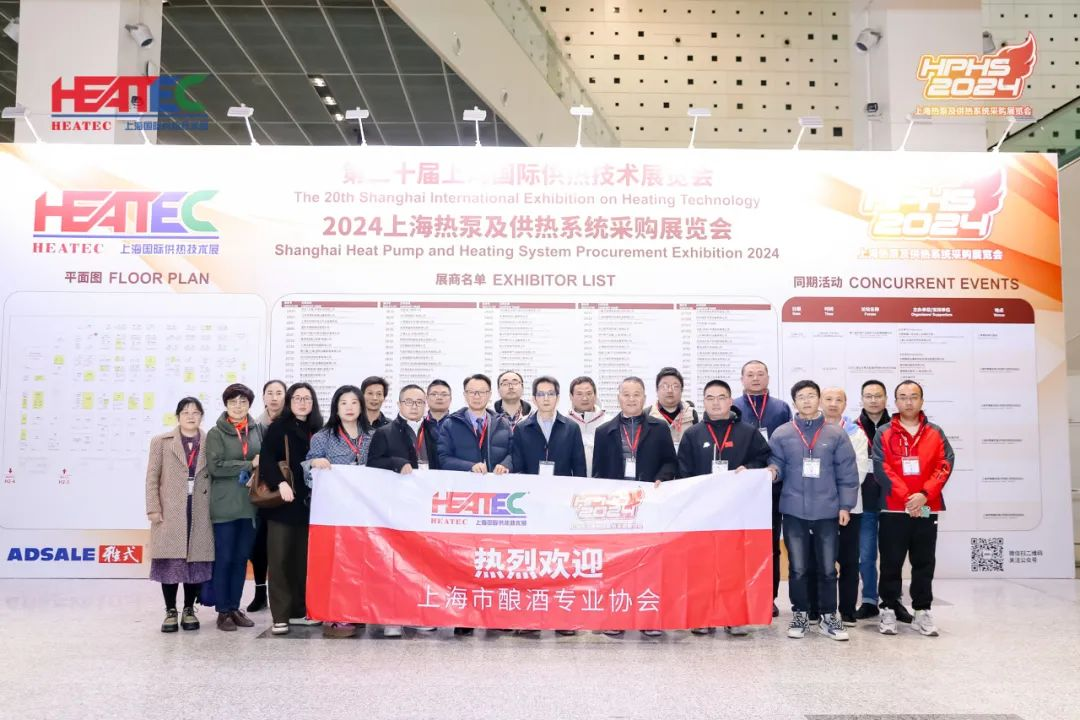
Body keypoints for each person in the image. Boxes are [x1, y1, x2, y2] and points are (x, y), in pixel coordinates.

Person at [677, 379, 772, 636]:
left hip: (736, 511)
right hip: (702, 513)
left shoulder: (748, 432)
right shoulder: (693, 434)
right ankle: (702, 617)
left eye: (721, 397)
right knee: (701, 565)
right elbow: (683, 471)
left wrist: (749, 469)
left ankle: (734, 616)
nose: (716, 403)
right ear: (704, 402)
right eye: (710, 398)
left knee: (733, 565)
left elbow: (763, 460)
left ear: (731, 401)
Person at [768, 380, 858, 642]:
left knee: (828, 568)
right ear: (794, 402)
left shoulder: (835, 434)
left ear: (818, 400)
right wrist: (773, 471)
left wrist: (845, 505)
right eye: (801, 397)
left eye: (811, 396)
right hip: (793, 511)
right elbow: (776, 462)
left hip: (827, 511)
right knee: (798, 568)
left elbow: (847, 472)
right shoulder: (782, 433)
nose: (806, 400)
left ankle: (829, 616)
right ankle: (801, 614)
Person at [592, 376, 677, 638]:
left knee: (649, 563)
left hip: (649, 505)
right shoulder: (603, 431)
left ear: (644, 398)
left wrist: (661, 478)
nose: (631, 399)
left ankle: (649, 617)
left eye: (636, 394)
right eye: (626, 394)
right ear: (618, 398)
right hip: (617, 509)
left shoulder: (659, 428)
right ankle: (615, 616)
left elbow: (670, 462)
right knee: (617, 564)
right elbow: (597, 472)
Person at [872, 380, 953, 638]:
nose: (908, 401)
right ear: (895, 402)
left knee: (924, 561)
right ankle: (887, 608)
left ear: (921, 400)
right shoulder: (884, 432)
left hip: (927, 508)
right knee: (891, 562)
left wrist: (924, 495)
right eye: (903, 397)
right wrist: (908, 498)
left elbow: (945, 464)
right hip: (894, 509)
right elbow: (882, 468)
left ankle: (922, 610)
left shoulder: (935, 432)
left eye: (913, 396)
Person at [437, 373, 514, 637]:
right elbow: (443, 458)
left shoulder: (502, 423)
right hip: (466, 504)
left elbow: (514, 452)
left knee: (495, 560)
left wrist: (506, 465)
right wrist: (469, 467)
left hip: (496, 505)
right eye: (472, 392)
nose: (477, 396)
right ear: (465, 395)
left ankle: (496, 615)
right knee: (467, 560)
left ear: (490, 395)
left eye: (482, 392)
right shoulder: (451, 423)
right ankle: (465, 616)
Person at [145, 397, 214, 633]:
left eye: (196, 412)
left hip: (200, 508)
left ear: (201, 416)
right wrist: (153, 508)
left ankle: (189, 609)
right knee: (170, 562)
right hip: (171, 509)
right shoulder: (161, 442)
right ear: (178, 417)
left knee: (194, 562)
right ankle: (170, 611)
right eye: (186, 412)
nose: (191, 416)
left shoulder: (210, 441)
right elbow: (152, 478)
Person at [258, 383, 322, 636]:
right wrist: (280, 483)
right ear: (289, 401)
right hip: (283, 505)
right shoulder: (279, 427)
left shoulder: (318, 430)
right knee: (280, 559)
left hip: (310, 507)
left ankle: (299, 610)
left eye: (307, 398)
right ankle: (281, 615)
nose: (302, 403)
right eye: (297, 398)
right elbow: (266, 460)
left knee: (302, 561)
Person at [307, 384, 369, 638]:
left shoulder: (372, 436)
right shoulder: (323, 436)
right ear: (336, 407)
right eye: (344, 403)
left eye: (354, 402)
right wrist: (314, 463)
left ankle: (356, 611)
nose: (349, 408)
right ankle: (333, 614)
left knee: (359, 563)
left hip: (364, 512)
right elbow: (307, 468)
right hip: (333, 512)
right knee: (335, 563)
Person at [732, 360, 792, 618]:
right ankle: (738, 594)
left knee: (770, 544)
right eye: (750, 374)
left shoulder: (781, 408)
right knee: (738, 545)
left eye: (760, 374)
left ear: (768, 377)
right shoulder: (732, 406)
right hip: (740, 486)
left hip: (772, 485)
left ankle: (768, 597)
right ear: (742, 379)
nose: (755, 378)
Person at [205, 383, 263, 632]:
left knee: (240, 559)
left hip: (250, 505)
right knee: (225, 558)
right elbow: (216, 467)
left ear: (249, 404)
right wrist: (249, 464)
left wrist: (259, 465)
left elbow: (265, 459)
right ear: (226, 405)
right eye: (233, 402)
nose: (238, 406)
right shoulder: (216, 433)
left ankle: (234, 607)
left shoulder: (257, 430)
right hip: (224, 506)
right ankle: (223, 611)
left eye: (243, 402)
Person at [821, 387, 870, 626]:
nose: (833, 403)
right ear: (820, 402)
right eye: (828, 399)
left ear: (845, 403)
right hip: (820, 507)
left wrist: (838, 494)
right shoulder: (812, 431)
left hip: (850, 507)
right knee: (821, 561)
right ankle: (819, 608)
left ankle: (848, 609)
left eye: (838, 400)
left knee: (850, 560)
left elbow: (858, 470)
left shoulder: (856, 433)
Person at [248, 379, 287, 613]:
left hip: (286, 489)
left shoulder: (292, 422)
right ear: (263, 397)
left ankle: (284, 594)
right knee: (258, 545)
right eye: (270, 393)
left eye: (279, 393)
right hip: (261, 492)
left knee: (283, 546)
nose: (274, 397)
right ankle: (260, 592)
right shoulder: (253, 426)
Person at [854, 379, 892, 621]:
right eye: (869, 396)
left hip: (893, 501)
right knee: (866, 555)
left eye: (878, 396)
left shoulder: (896, 426)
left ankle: (892, 601)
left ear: (886, 399)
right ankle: (869, 600)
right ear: (862, 399)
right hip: (864, 500)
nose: (874, 400)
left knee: (892, 556)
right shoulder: (852, 428)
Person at [511, 376, 587, 478]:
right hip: (531, 486)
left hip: (562, 486)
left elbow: (579, 468)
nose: (546, 398)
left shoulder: (572, 428)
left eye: (550, 394)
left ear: (557, 398)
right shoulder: (521, 428)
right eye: (541, 394)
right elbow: (518, 467)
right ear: (534, 399)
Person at [645, 366, 698, 451]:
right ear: (657, 390)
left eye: (675, 386)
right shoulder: (647, 414)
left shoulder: (692, 414)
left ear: (682, 390)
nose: (670, 390)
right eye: (664, 386)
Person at [566, 376, 609, 477]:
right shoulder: (564, 423)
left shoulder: (608, 422)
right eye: (579, 394)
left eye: (589, 393)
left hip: (602, 481)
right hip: (570, 481)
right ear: (571, 396)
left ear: (595, 395)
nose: (585, 398)